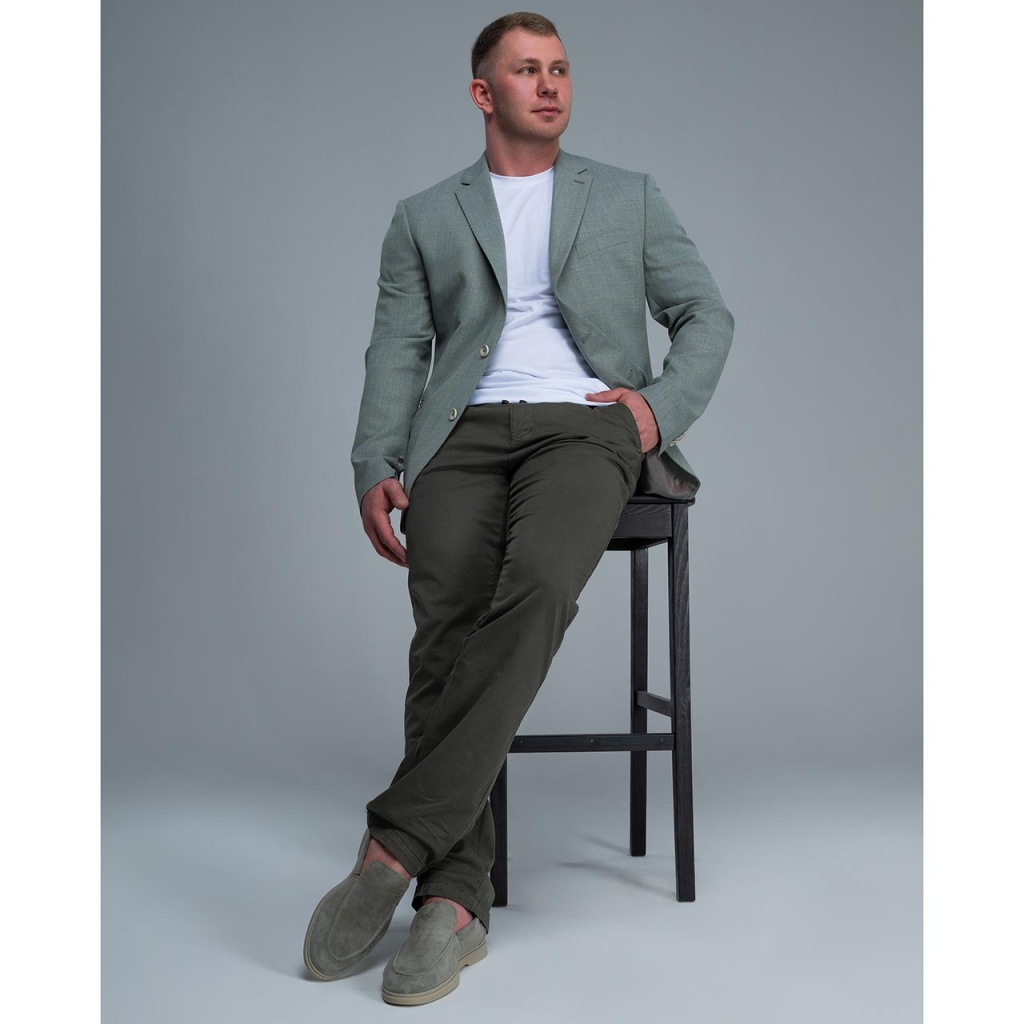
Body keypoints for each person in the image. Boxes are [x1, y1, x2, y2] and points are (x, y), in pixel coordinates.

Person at [303, 11, 733, 1006]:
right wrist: (374, 459)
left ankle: (392, 844)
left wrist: (654, 411)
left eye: (560, 69)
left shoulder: (625, 195)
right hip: (461, 432)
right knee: (445, 616)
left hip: (585, 427)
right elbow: (398, 349)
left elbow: (705, 314)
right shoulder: (425, 215)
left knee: (538, 581)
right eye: (527, 69)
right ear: (482, 92)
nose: (549, 84)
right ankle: (454, 904)